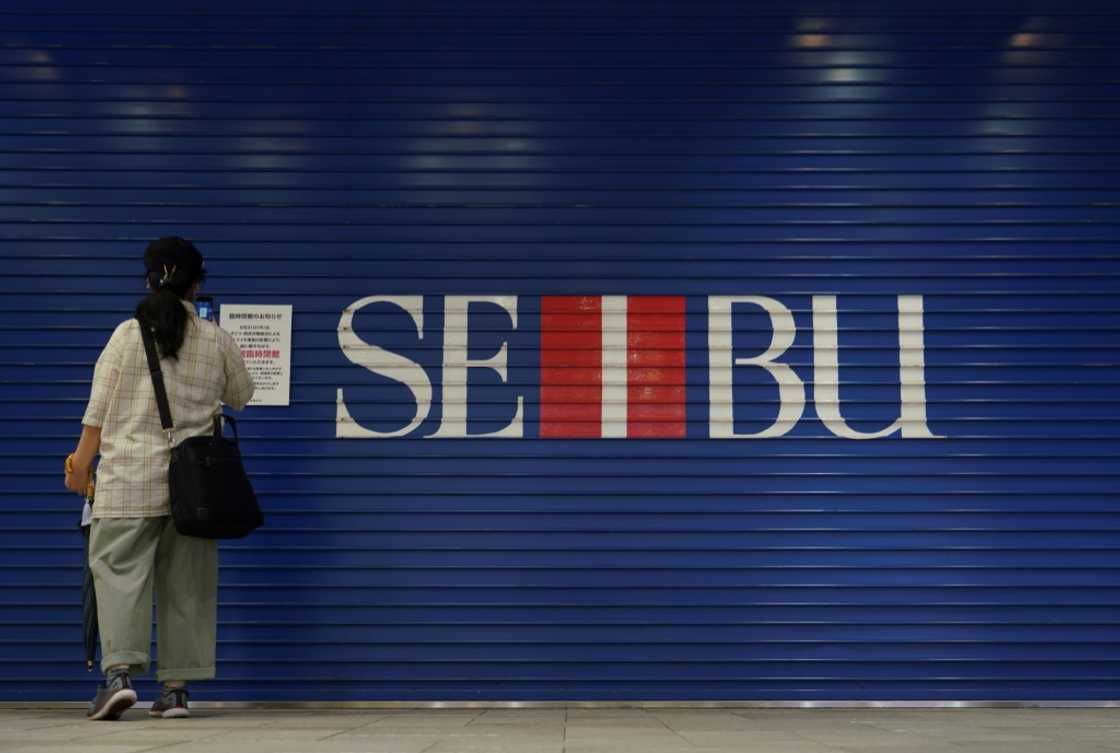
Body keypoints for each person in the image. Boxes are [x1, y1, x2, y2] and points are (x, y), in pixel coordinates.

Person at [64, 237, 254, 720]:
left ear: (149, 280)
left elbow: (97, 412)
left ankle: (119, 678)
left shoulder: (126, 335)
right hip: (194, 490)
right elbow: (242, 395)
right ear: (196, 285)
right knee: (187, 584)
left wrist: (80, 466)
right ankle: (175, 691)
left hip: (127, 480)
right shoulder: (215, 339)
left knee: (118, 577)